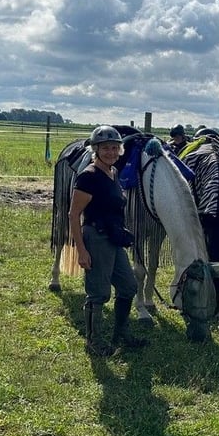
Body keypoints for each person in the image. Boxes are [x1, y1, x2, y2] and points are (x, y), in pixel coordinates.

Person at [68, 125, 148, 356]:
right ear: (96, 149)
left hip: (113, 238)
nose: (110, 152)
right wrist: (81, 251)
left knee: (128, 286)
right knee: (99, 292)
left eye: (114, 148)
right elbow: (73, 215)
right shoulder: (89, 176)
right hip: (96, 237)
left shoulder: (112, 173)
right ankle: (93, 342)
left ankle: (120, 334)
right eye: (105, 148)